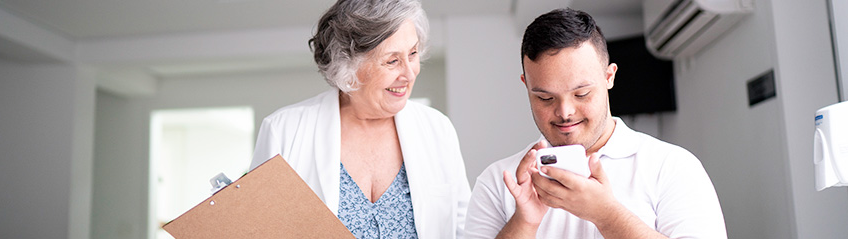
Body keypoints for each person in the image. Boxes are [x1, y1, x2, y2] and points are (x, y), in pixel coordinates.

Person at [464, 8, 727, 239]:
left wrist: (607, 215)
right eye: (545, 97)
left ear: (609, 77)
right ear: (526, 86)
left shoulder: (672, 167)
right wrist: (525, 222)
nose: (565, 112)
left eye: (581, 94)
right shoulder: (499, 183)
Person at [249, 0, 470, 238]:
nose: (409, 72)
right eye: (392, 61)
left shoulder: (437, 129)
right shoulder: (284, 131)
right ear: (347, 65)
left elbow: (464, 229)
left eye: (413, 53)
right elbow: (257, 230)